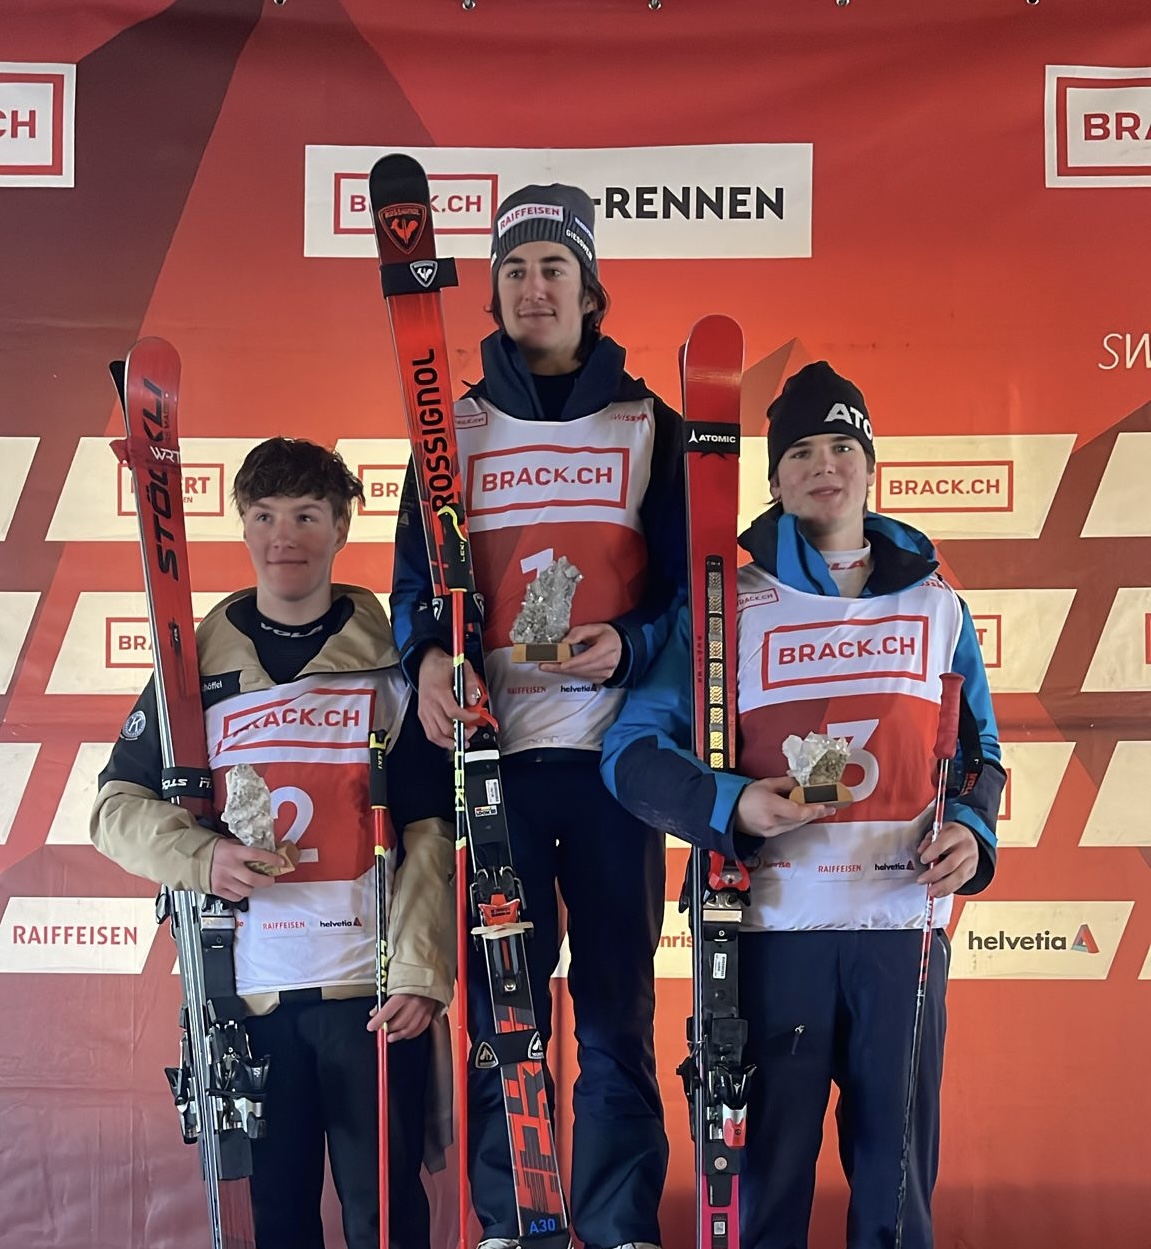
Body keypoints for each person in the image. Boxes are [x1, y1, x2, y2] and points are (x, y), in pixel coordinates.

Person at [601, 361, 1005, 1249]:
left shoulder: (936, 601)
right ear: (776, 479)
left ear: (870, 465)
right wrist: (733, 804)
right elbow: (630, 755)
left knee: (895, 1185)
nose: (824, 465)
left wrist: (972, 834)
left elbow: (979, 749)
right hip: (771, 931)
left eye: (841, 447)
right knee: (769, 1183)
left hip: (900, 928)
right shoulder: (728, 605)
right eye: (801, 452)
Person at [390, 184, 685, 1249]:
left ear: (589, 290)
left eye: (553, 267)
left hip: (614, 764)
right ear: (495, 293)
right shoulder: (449, 428)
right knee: (502, 1012)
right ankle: (512, 1220)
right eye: (513, 270)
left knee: (614, 1008)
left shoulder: (648, 424)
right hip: (495, 760)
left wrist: (632, 645)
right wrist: (428, 658)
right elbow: (414, 589)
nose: (532, 288)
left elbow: (689, 593)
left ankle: (617, 1223)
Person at [91, 437, 455, 1249]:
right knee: (279, 1223)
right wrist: (202, 857)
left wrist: (422, 970)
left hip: (369, 998)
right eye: (264, 516)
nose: (283, 536)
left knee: (386, 1220)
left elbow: (432, 829)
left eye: (306, 515)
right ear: (242, 524)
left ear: (341, 526)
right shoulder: (193, 665)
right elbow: (114, 807)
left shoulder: (393, 664)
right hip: (246, 1001)